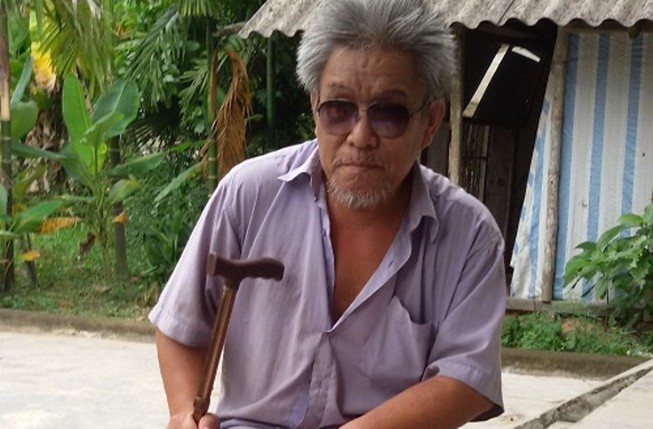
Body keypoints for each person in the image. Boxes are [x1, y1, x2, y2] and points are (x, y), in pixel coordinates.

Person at [150, 0, 507, 428]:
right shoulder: (249, 195)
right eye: (339, 108)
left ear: (430, 122)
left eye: (389, 113)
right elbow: (181, 324)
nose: (360, 136)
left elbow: (464, 381)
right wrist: (184, 413)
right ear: (315, 107)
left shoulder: (469, 236)